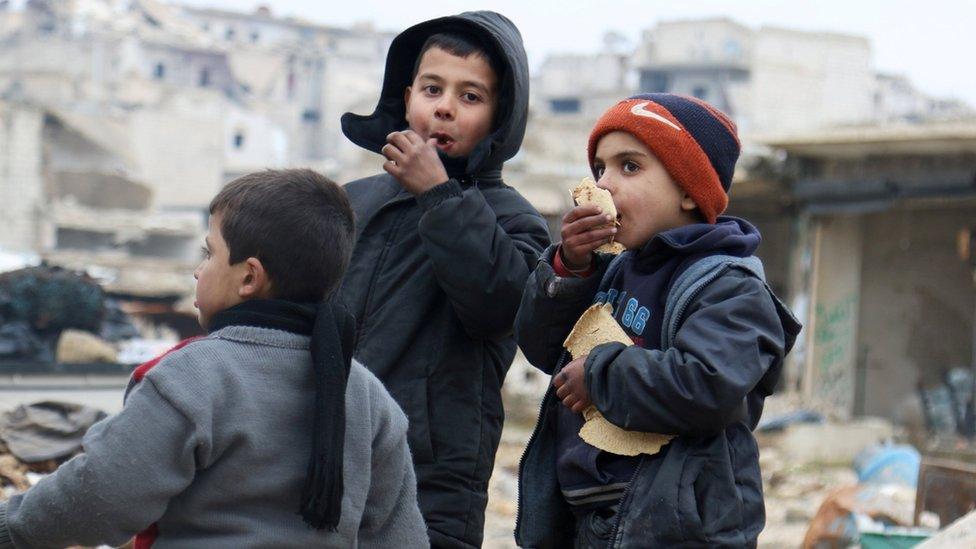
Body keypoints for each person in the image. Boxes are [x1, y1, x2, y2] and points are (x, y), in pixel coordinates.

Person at [0, 169, 428, 549]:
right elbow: (398, 537)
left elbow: (97, 497)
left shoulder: (191, 378)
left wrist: (10, 527)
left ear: (248, 277)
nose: (197, 270)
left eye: (209, 253)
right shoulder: (370, 398)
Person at [514, 94, 802, 548]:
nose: (605, 184)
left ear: (689, 189)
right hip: (589, 516)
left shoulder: (727, 285)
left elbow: (710, 385)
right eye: (600, 169)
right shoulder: (612, 267)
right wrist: (569, 268)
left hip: (675, 525)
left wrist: (600, 376)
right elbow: (541, 347)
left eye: (630, 166)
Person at [338, 11, 550, 548]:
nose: (445, 107)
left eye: (471, 97)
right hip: (326, 454)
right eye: (432, 88)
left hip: (429, 476)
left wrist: (438, 195)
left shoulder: (514, 220)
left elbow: (498, 309)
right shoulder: (351, 204)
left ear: (500, 117)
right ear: (407, 96)